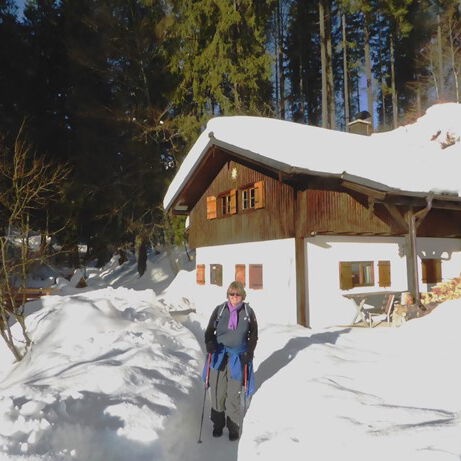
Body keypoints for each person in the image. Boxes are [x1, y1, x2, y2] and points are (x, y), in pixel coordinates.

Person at [203, 281, 258, 441]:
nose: (234, 297)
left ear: (242, 295)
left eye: (237, 294)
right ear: (227, 295)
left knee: (233, 394)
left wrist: (249, 351)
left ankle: (233, 427)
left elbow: (253, 334)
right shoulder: (220, 310)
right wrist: (209, 343)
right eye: (231, 294)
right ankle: (218, 424)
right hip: (219, 355)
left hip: (238, 357)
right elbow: (209, 331)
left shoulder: (248, 312)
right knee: (218, 392)